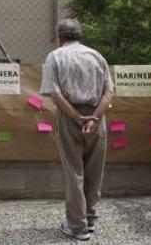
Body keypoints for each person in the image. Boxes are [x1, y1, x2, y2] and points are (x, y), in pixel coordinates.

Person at [40, 18, 115, 241]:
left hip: (70, 116)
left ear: (59, 37)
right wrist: (93, 117)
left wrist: (77, 117)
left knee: (74, 172)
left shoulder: (55, 56)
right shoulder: (96, 56)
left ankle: (77, 226)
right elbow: (109, 91)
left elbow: (54, 93)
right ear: (79, 35)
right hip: (97, 116)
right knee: (95, 170)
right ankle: (90, 219)